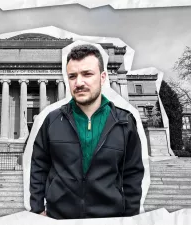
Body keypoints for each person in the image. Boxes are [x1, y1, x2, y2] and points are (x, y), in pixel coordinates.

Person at [29, 44, 144, 219]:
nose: (79, 83)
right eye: (72, 76)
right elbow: (39, 165)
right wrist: (37, 210)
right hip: (59, 218)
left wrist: (130, 217)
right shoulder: (52, 120)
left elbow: (132, 174)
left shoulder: (124, 121)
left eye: (87, 74)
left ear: (103, 77)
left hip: (109, 218)